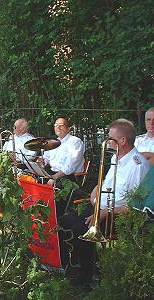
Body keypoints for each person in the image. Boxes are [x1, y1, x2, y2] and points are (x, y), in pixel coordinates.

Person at [58, 119, 150, 286]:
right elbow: (104, 183)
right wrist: (95, 192)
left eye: (111, 138)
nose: (107, 141)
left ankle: (88, 278)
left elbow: (136, 205)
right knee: (64, 221)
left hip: (118, 216)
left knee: (81, 230)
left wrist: (105, 213)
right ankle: (78, 264)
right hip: (99, 207)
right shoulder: (116, 157)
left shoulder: (137, 165)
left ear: (122, 141)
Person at [42, 117, 85, 186]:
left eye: (61, 125)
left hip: (68, 176)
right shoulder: (53, 142)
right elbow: (46, 158)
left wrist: (54, 177)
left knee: (51, 186)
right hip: (52, 173)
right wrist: (41, 161)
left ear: (68, 129)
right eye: (56, 125)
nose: (58, 127)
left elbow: (70, 167)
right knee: (34, 180)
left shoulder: (75, 142)